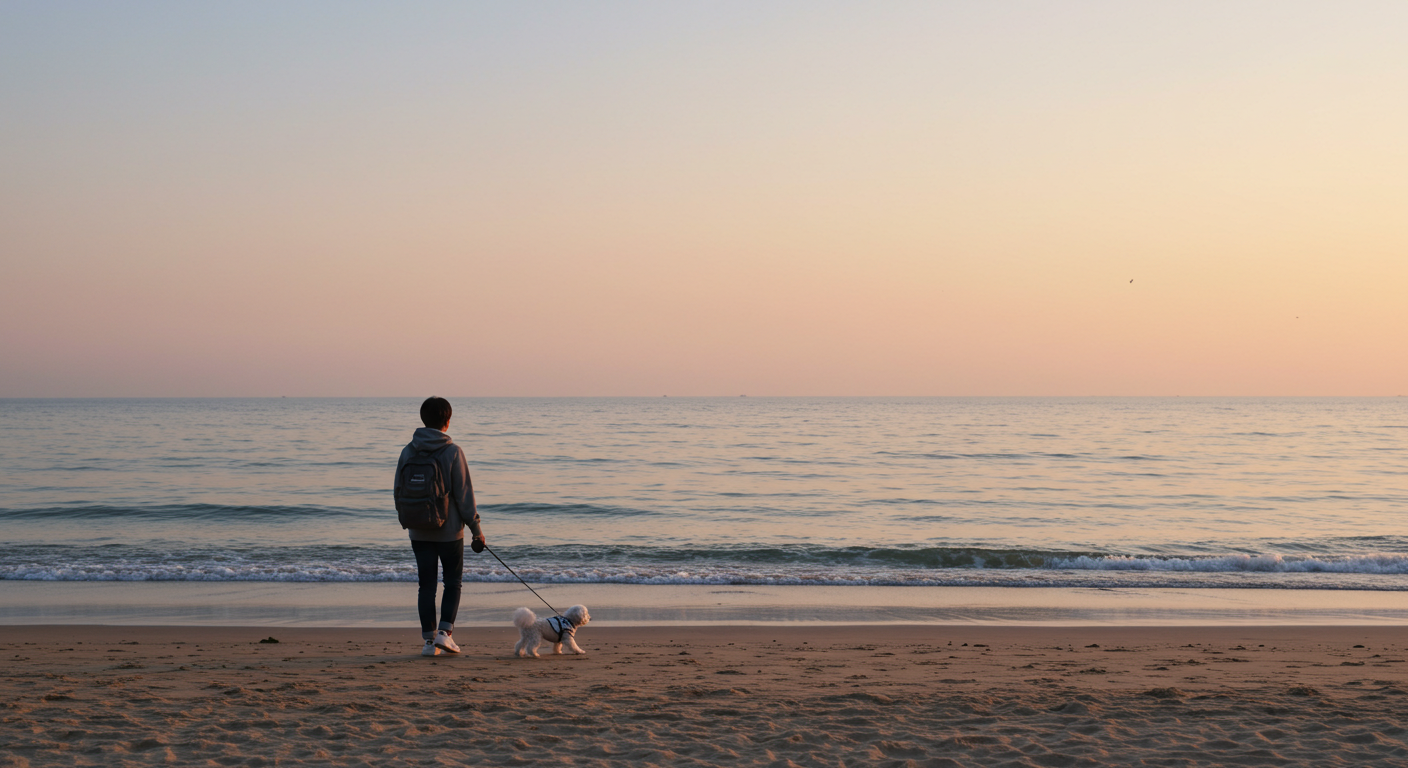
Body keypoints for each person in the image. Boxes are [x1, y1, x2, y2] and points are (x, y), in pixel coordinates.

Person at [393, 396, 486, 657]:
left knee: (426, 585)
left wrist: (409, 519)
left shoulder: (408, 451)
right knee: (453, 582)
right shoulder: (453, 452)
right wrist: (476, 530)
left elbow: (398, 491)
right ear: (447, 421)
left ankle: (428, 641)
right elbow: (464, 496)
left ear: (423, 419)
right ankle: (445, 634)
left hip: (418, 530)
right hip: (449, 531)